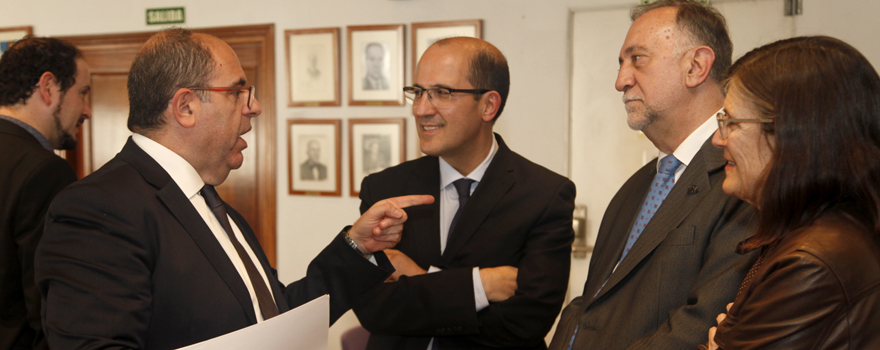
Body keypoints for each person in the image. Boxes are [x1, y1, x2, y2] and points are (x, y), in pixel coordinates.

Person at [34, 28, 433, 350]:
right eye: (238, 91)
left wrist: (357, 247)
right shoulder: (96, 209)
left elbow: (274, 320)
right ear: (185, 107)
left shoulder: (212, 203)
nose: (254, 107)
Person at [549, 1, 758, 349]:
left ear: (696, 66)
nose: (620, 81)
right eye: (621, 63)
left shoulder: (742, 179)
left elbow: (702, 325)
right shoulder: (636, 186)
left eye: (638, 59)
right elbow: (592, 304)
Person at [354, 37, 576, 349]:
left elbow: (526, 321)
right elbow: (371, 307)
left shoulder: (544, 194)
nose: (420, 109)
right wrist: (480, 287)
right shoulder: (385, 188)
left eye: (441, 94)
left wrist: (417, 280)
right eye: (417, 92)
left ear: (488, 105)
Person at [701, 36, 880, 350]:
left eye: (732, 122)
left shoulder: (812, 261)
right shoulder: (820, 231)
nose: (719, 139)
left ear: (791, 134)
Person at [0, 37, 90, 350]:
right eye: (83, 93)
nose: (87, 110)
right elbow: (49, 307)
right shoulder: (46, 172)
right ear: (49, 87)